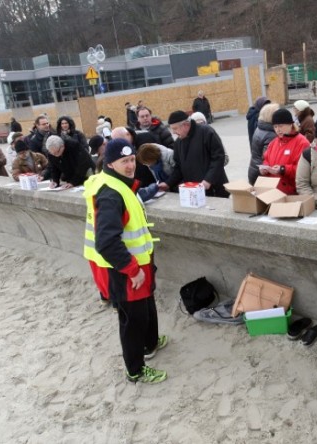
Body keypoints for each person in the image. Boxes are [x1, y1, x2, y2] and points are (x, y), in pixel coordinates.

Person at [83, 138, 168, 384]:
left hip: (138, 263)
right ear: (110, 162)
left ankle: (150, 342)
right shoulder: (111, 194)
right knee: (132, 319)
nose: (131, 166)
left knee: (146, 306)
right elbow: (106, 242)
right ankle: (135, 369)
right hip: (126, 268)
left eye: (132, 160)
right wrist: (132, 270)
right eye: (124, 161)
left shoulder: (115, 182)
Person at [159, 111, 229, 197]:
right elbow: (179, 168)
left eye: (175, 128)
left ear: (186, 125)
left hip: (214, 189)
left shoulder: (206, 132)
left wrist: (208, 180)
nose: (173, 132)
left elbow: (219, 158)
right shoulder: (178, 143)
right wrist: (168, 183)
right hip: (195, 192)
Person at [259, 108, 310, 195]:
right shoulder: (273, 143)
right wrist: (265, 168)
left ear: (290, 124)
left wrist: (283, 169)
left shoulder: (302, 143)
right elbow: (266, 159)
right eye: (275, 127)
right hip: (273, 189)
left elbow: (304, 170)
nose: (278, 130)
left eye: (281, 126)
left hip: (291, 192)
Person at [248, 102, 279, 185]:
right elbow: (268, 158)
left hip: (254, 169)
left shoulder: (260, 128)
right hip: (261, 174)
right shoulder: (271, 134)